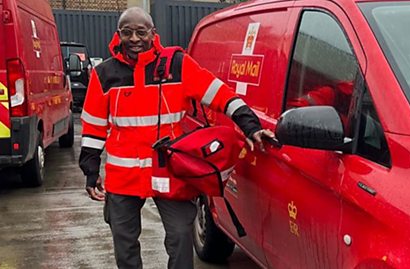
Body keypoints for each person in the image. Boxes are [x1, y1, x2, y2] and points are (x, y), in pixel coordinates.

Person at [78, 7, 274, 269]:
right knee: (124, 243)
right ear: (118, 35)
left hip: (169, 171)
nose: (134, 39)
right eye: (127, 32)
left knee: (181, 236)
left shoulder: (176, 66)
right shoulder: (104, 74)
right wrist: (91, 171)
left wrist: (250, 127)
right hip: (123, 177)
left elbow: (220, 95)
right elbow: (93, 126)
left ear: (153, 33)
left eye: (141, 32)